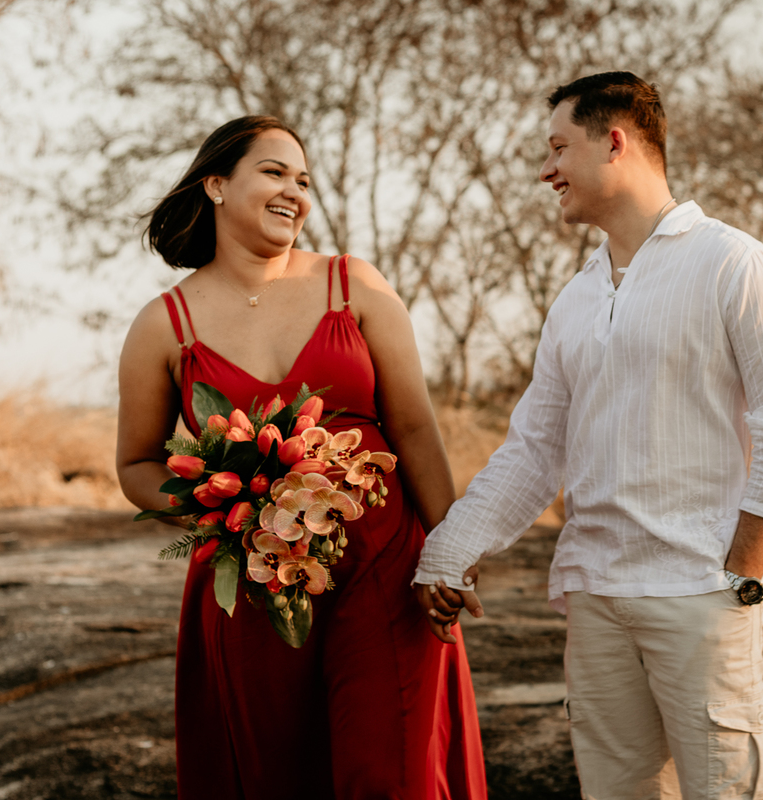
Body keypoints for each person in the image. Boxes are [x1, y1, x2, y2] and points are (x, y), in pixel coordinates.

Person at [414, 73, 763, 799]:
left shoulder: (737, 267)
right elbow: (536, 449)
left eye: (558, 147)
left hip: (701, 592)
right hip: (595, 596)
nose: (546, 170)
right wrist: (447, 551)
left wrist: (742, 576)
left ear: (614, 141)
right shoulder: (575, 298)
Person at [116, 116, 487, 799]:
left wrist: (451, 550)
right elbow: (136, 465)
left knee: (391, 771)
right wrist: (227, 507)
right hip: (253, 584)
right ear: (218, 185)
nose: (296, 191)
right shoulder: (165, 324)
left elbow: (414, 426)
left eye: (304, 180)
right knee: (275, 775)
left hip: (383, 564)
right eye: (276, 172)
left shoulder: (354, 285)